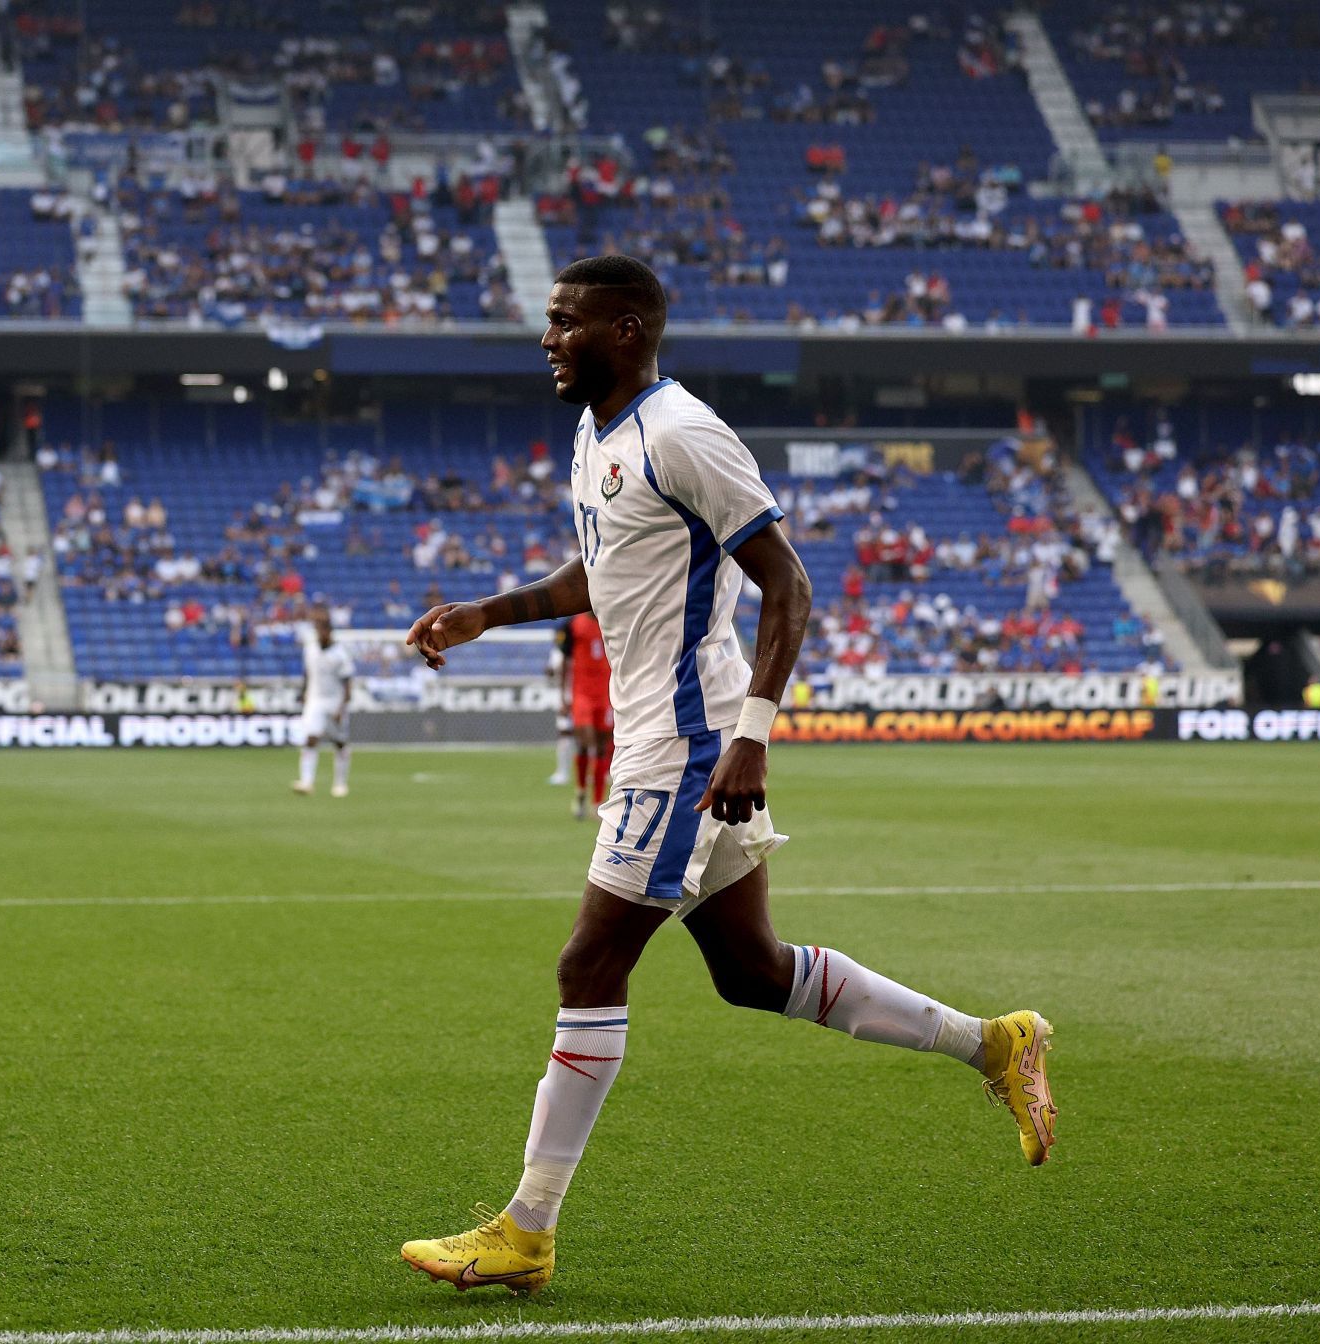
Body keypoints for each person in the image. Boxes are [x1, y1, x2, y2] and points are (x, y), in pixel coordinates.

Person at [399, 256, 1057, 1296]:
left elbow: (788, 582)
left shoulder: (685, 432)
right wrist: (491, 611)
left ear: (625, 329)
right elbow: (605, 571)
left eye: (565, 322)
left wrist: (753, 734)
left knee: (587, 968)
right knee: (753, 974)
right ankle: (995, 1044)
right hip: (659, 736)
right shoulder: (599, 435)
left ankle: (526, 1229)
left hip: (690, 746)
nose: (547, 337)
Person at [290, 610, 354, 798]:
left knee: (339, 743)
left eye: (323, 630)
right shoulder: (310, 649)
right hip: (315, 700)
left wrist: (342, 708)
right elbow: (307, 673)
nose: (320, 634)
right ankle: (306, 782)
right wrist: (303, 693)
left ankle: (340, 784)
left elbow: (348, 683)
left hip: (335, 702)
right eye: (318, 630)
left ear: (329, 632)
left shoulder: (340, 654)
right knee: (311, 738)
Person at [559, 611, 613, 819]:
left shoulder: (612, 618)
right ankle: (581, 791)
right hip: (581, 694)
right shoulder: (574, 624)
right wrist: (563, 694)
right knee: (584, 742)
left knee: (601, 748)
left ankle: (597, 802)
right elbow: (565, 660)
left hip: (605, 694)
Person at [545, 638, 575, 787]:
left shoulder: (572, 649)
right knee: (565, 733)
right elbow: (551, 671)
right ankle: (563, 772)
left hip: (580, 695)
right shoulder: (557, 652)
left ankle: (596, 772)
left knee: (590, 737)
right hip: (567, 696)